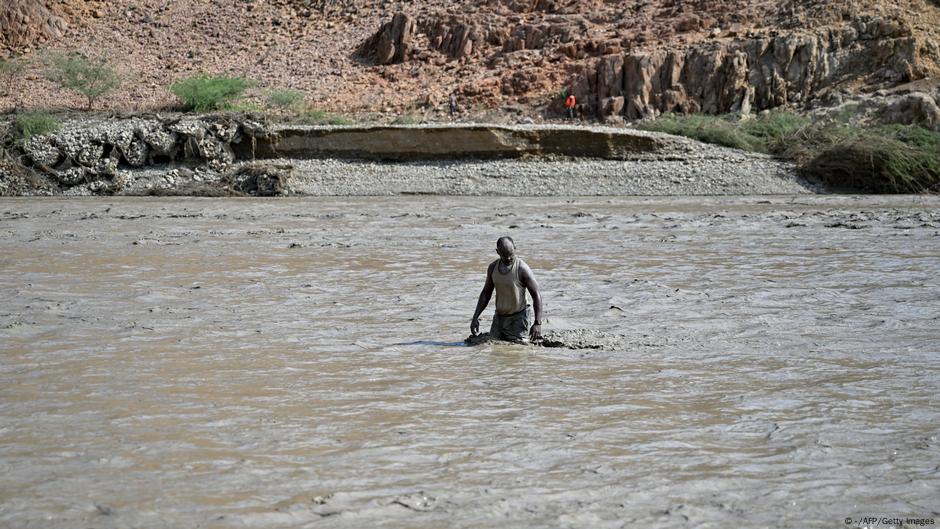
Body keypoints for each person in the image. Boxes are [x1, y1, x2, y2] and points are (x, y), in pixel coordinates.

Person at [470, 236, 543, 343]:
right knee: (493, 348)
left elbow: (536, 295)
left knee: (519, 349)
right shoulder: (493, 268)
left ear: (515, 248)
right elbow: (486, 293)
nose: (508, 258)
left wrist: (537, 323)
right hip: (499, 318)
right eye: (504, 255)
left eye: (511, 255)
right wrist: (475, 317)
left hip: (519, 318)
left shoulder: (522, 268)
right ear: (497, 252)